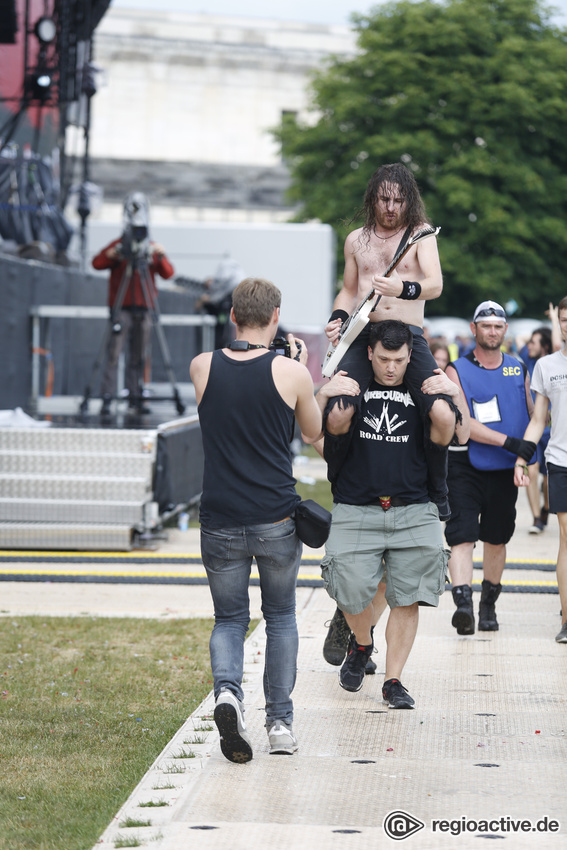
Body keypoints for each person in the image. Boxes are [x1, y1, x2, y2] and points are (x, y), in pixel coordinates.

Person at [189, 276, 357, 763]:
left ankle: (227, 694)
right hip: (276, 517)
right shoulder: (291, 373)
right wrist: (298, 369)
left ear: (233, 315)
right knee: (280, 618)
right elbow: (310, 432)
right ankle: (280, 723)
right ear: (277, 317)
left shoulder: (203, 366)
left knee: (229, 618)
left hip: (219, 516)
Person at [311, 320, 469, 706]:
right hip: (356, 506)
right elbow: (310, 433)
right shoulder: (353, 390)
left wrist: (454, 391)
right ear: (370, 352)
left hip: (413, 508)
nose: (391, 368)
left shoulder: (425, 393)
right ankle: (362, 645)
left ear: (410, 355)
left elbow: (461, 435)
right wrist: (323, 393)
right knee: (347, 588)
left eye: (398, 360)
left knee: (408, 597)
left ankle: (393, 681)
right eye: (383, 358)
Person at [323, 163, 458, 520]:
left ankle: (438, 490)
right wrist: (337, 319)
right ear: (373, 198)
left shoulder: (420, 234)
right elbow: (349, 290)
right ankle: (338, 480)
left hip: (408, 334)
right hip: (363, 334)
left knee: (443, 413)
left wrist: (403, 288)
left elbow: (435, 284)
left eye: (399, 200)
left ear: (408, 200)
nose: (391, 207)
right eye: (384, 199)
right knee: (339, 412)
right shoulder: (356, 239)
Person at [444, 301, 536, 635]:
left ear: (505, 331)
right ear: (474, 329)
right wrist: (509, 443)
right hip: (464, 462)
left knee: (497, 537)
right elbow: (463, 423)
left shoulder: (518, 368)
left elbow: (532, 415)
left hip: (504, 468)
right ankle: (464, 605)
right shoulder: (456, 370)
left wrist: (525, 456)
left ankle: (488, 605)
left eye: (498, 326)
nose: (492, 331)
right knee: (462, 533)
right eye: (486, 325)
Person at [92, 192, 174, 415]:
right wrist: (114, 255)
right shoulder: (119, 246)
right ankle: (108, 396)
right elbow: (96, 263)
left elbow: (168, 273)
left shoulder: (151, 247)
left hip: (145, 308)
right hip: (122, 308)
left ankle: (135, 396)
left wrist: (160, 256)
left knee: (139, 356)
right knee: (113, 354)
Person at [514, 296, 567, 643]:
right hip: (561, 461)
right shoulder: (546, 366)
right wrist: (522, 457)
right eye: (564, 319)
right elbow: (538, 420)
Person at [519, 327, 552, 534]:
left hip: (550, 431)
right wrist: (533, 337)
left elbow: (557, 345)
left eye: (535, 342)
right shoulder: (528, 359)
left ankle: (547, 507)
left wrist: (554, 320)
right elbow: (520, 337)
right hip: (530, 428)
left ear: (545, 347)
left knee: (548, 480)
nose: (529, 345)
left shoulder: (552, 364)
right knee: (531, 470)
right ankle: (537, 518)